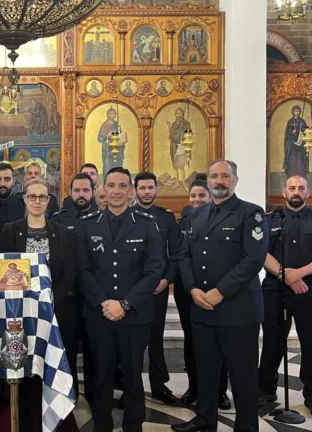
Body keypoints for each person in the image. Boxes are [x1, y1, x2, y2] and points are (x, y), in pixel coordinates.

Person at [173, 160, 266, 432]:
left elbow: (253, 260)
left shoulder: (251, 214)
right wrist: (192, 289)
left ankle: (247, 426)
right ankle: (204, 420)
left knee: (243, 376)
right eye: (214, 176)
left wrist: (219, 292)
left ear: (235, 180)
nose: (218, 181)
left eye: (225, 176)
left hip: (238, 310)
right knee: (206, 372)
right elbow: (184, 255)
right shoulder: (196, 215)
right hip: (202, 307)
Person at [77, 167, 164, 432]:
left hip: (134, 316)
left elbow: (154, 270)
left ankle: (133, 426)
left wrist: (124, 304)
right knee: (100, 376)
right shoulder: (88, 224)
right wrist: (105, 302)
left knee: (133, 378)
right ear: (103, 188)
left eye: (122, 186)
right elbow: (82, 270)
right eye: (111, 185)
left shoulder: (148, 226)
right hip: (99, 315)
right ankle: (101, 425)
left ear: (131, 191)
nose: (116, 191)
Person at [0, 179, 78, 432]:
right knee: (21, 365)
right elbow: (1, 268)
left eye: (43, 197)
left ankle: (52, 415)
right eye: (33, 197)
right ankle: (21, 416)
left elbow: (70, 273)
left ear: (49, 200)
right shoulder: (10, 230)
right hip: (18, 314)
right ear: (25, 199)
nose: (37, 201)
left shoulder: (62, 232)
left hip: (54, 311)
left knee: (48, 363)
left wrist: (50, 300)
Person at [258, 176, 312, 418]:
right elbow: (261, 253)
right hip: (274, 290)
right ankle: (266, 391)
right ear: (284, 192)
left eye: (301, 188)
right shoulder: (269, 220)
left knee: (311, 345)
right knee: (272, 343)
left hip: (310, 290)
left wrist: (298, 275)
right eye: (292, 188)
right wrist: (285, 276)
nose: (296, 192)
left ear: (308, 192)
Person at [173, 175, 232, 409]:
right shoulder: (181, 222)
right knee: (192, 341)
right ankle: (194, 388)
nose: (197, 200)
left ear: (210, 197)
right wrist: (190, 287)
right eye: (193, 196)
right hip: (187, 289)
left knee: (219, 341)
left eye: (202, 195)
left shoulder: (223, 219)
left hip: (215, 291)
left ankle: (219, 391)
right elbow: (179, 256)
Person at [131, 172, 181, 405]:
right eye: (142, 188)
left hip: (157, 290)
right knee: (132, 341)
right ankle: (131, 389)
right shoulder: (127, 216)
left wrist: (166, 280)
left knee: (155, 339)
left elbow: (176, 253)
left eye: (151, 188)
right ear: (135, 190)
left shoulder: (166, 218)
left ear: (156, 189)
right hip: (132, 290)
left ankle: (159, 386)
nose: (147, 192)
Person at [51, 173, 98, 406]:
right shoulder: (58, 219)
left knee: (93, 348)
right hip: (67, 297)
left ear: (93, 191)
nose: (81, 195)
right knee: (67, 346)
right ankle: (69, 394)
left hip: (94, 296)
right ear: (70, 193)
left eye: (85, 190)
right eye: (77, 190)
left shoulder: (103, 218)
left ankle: (93, 393)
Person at [283, 105, 309, 180]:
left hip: (300, 146)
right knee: (292, 162)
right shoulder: (290, 121)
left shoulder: (302, 121)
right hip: (292, 146)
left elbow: (305, 131)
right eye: (295, 111)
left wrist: (304, 130)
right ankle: (291, 177)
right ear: (292, 112)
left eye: (298, 111)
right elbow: (287, 134)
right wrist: (292, 132)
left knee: (300, 162)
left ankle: (301, 177)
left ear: (300, 112)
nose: (296, 113)